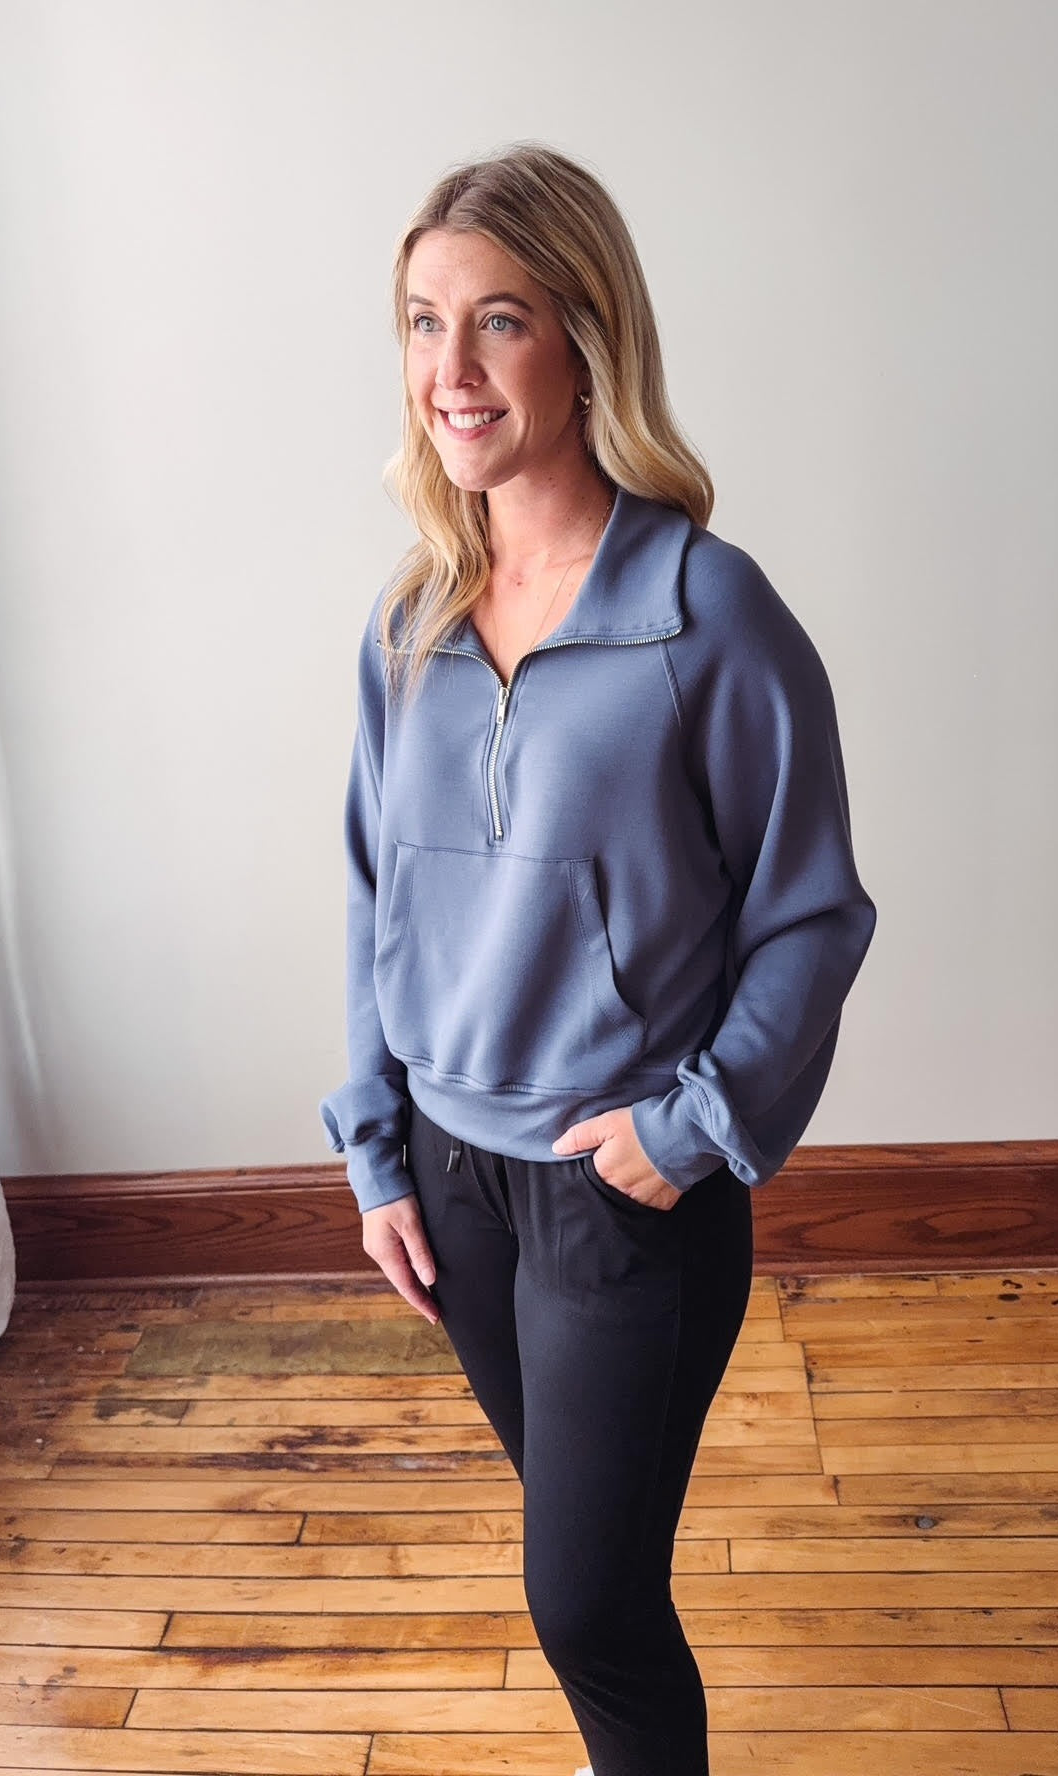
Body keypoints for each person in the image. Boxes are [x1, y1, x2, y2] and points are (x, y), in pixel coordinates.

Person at [320, 141, 877, 1776]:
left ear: (584, 339)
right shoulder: (409, 620)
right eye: (423, 323)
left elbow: (812, 911)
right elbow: (369, 899)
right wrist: (374, 1155)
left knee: (583, 1599)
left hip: (616, 1186)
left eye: (497, 322)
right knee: (597, 1573)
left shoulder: (710, 613)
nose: (451, 370)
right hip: (451, 1174)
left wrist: (690, 1129)